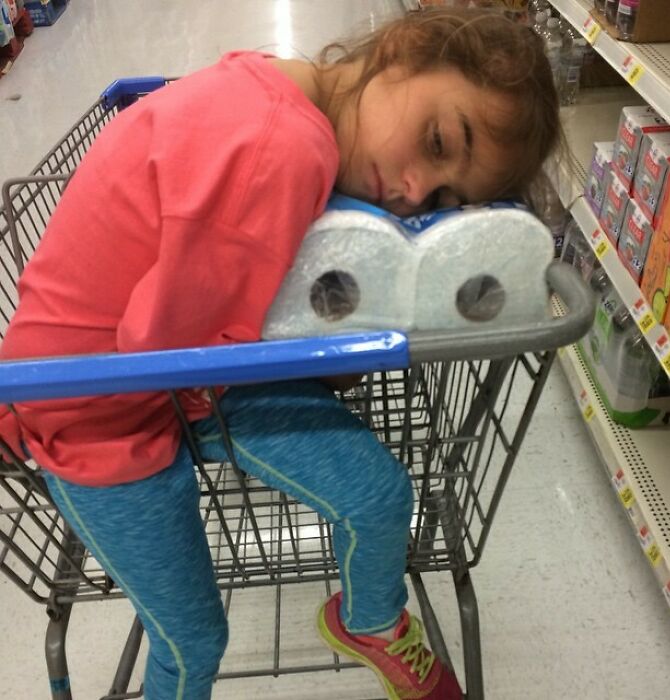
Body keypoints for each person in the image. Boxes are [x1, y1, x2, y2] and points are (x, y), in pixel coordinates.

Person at [0, 6, 562, 699]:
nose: (417, 188)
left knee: (378, 494)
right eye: (438, 140)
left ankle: (369, 621)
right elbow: (164, 346)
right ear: (405, 47)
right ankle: (361, 620)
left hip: (170, 371)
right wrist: (337, 364)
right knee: (191, 641)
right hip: (98, 407)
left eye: (445, 194)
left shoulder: (278, 84)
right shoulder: (287, 149)